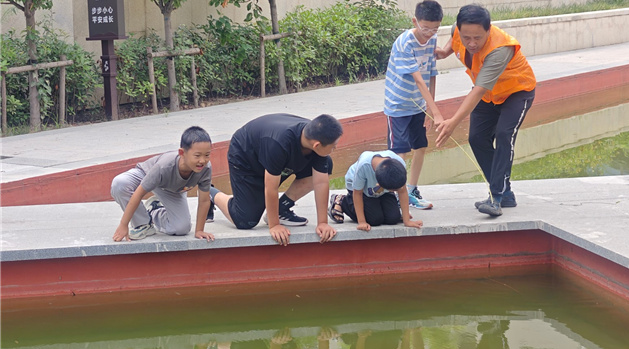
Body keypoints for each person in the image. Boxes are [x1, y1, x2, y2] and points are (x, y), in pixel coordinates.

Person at [435, 4, 536, 217]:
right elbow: (453, 42)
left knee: (504, 134)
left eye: (477, 38)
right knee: (477, 138)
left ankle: (496, 197)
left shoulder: (500, 49)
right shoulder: (457, 30)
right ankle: (505, 194)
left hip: (516, 92)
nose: (471, 43)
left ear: (488, 30)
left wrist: (453, 122)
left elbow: (479, 89)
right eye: (466, 38)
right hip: (490, 94)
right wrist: (442, 52)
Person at [209, 113, 343, 246]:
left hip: (270, 153)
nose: (335, 149)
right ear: (317, 145)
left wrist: (322, 223)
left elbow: (321, 182)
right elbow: (271, 188)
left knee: (326, 165)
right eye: (333, 146)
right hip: (245, 156)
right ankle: (210, 192)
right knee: (245, 220)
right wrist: (274, 225)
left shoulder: (315, 136)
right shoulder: (279, 144)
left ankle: (281, 209)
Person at [384, 0, 444, 210]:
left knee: (420, 146)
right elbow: (418, 79)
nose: (429, 33)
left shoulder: (432, 39)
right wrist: (437, 113)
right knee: (399, 151)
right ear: (414, 21)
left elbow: (431, 74)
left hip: (418, 104)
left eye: (434, 29)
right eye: (425, 28)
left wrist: (430, 108)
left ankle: (411, 190)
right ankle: (396, 194)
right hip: (398, 104)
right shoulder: (405, 43)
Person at [111, 126, 215, 242]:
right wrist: (123, 224)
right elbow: (139, 194)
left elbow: (204, 200)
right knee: (120, 184)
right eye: (197, 155)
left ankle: (154, 210)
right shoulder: (164, 167)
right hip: (147, 174)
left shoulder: (205, 169)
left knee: (181, 228)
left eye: (207, 155)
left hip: (172, 190)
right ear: (182, 153)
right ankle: (142, 224)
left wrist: (199, 230)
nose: (202, 160)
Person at [328, 150, 423, 231]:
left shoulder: (399, 164)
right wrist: (362, 222)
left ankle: (379, 204)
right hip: (360, 190)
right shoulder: (364, 166)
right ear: (379, 184)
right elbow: (358, 193)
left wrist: (407, 221)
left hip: (382, 187)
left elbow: (402, 191)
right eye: (393, 190)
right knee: (374, 220)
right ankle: (342, 201)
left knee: (393, 218)